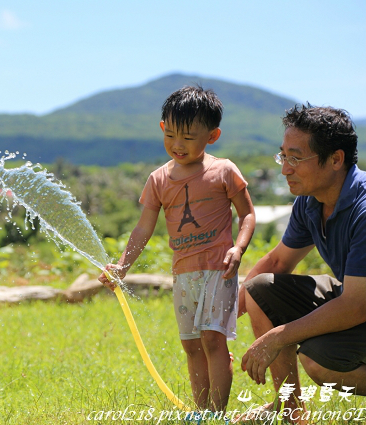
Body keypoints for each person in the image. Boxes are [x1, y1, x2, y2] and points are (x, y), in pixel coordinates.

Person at [98, 86, 256, 414]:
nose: (177, 145)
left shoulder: (224, 170)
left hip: (218, 269)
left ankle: (217, 414)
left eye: (188, 137)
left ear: (212, 136)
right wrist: (122, 265)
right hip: (183, 273)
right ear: (161, 129)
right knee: (191, 345)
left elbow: (248, 215)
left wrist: (238, 249)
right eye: (170, 135)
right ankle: (200, 413)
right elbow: (143, 227)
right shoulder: (158, 179)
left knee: (213, 340)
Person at [239, 104, 366, 423]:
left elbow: (356, 306)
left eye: (295, 158)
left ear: (336, 159)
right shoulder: (310, 202)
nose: (285, 169)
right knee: (260, 288)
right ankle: (290, 411)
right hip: (357, 296)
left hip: (360, 302)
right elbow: (279, 261)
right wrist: (226, 310)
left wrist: (278, 335)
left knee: (319, 359)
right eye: (283, 156)